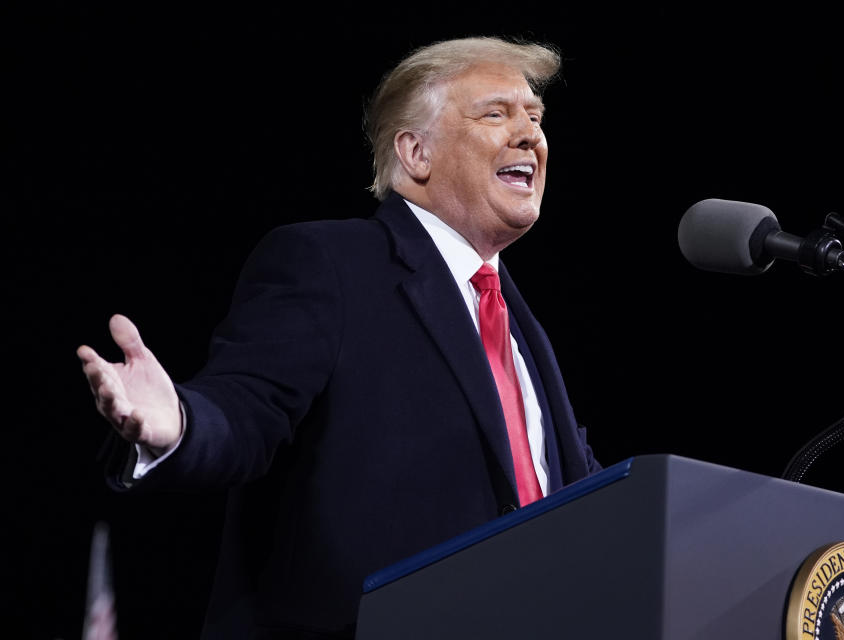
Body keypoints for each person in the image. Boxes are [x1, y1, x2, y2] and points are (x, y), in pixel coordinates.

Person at [78, 36, 602, 638]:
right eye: (495, 114)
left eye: (535, 118)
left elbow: (588, 502)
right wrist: (181, 422)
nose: (529, 135)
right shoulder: (330, 263)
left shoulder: (520, 326)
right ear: (415, 152)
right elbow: (249, 406)